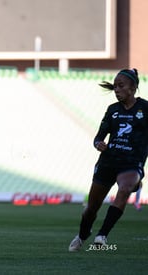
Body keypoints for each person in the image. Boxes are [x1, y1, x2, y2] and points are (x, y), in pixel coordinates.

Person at [69, 68, 148, 252]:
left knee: (125, 188)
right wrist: (99, 144)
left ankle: (102, 235)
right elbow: (98, 137)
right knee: (91, 209)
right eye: (115, 87)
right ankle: (82, 235)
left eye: (121, 86)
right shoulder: (112, 110)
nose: (117, 90)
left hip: (131, 163)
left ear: (133, 88)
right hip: (108, 162)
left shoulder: (145, 109)